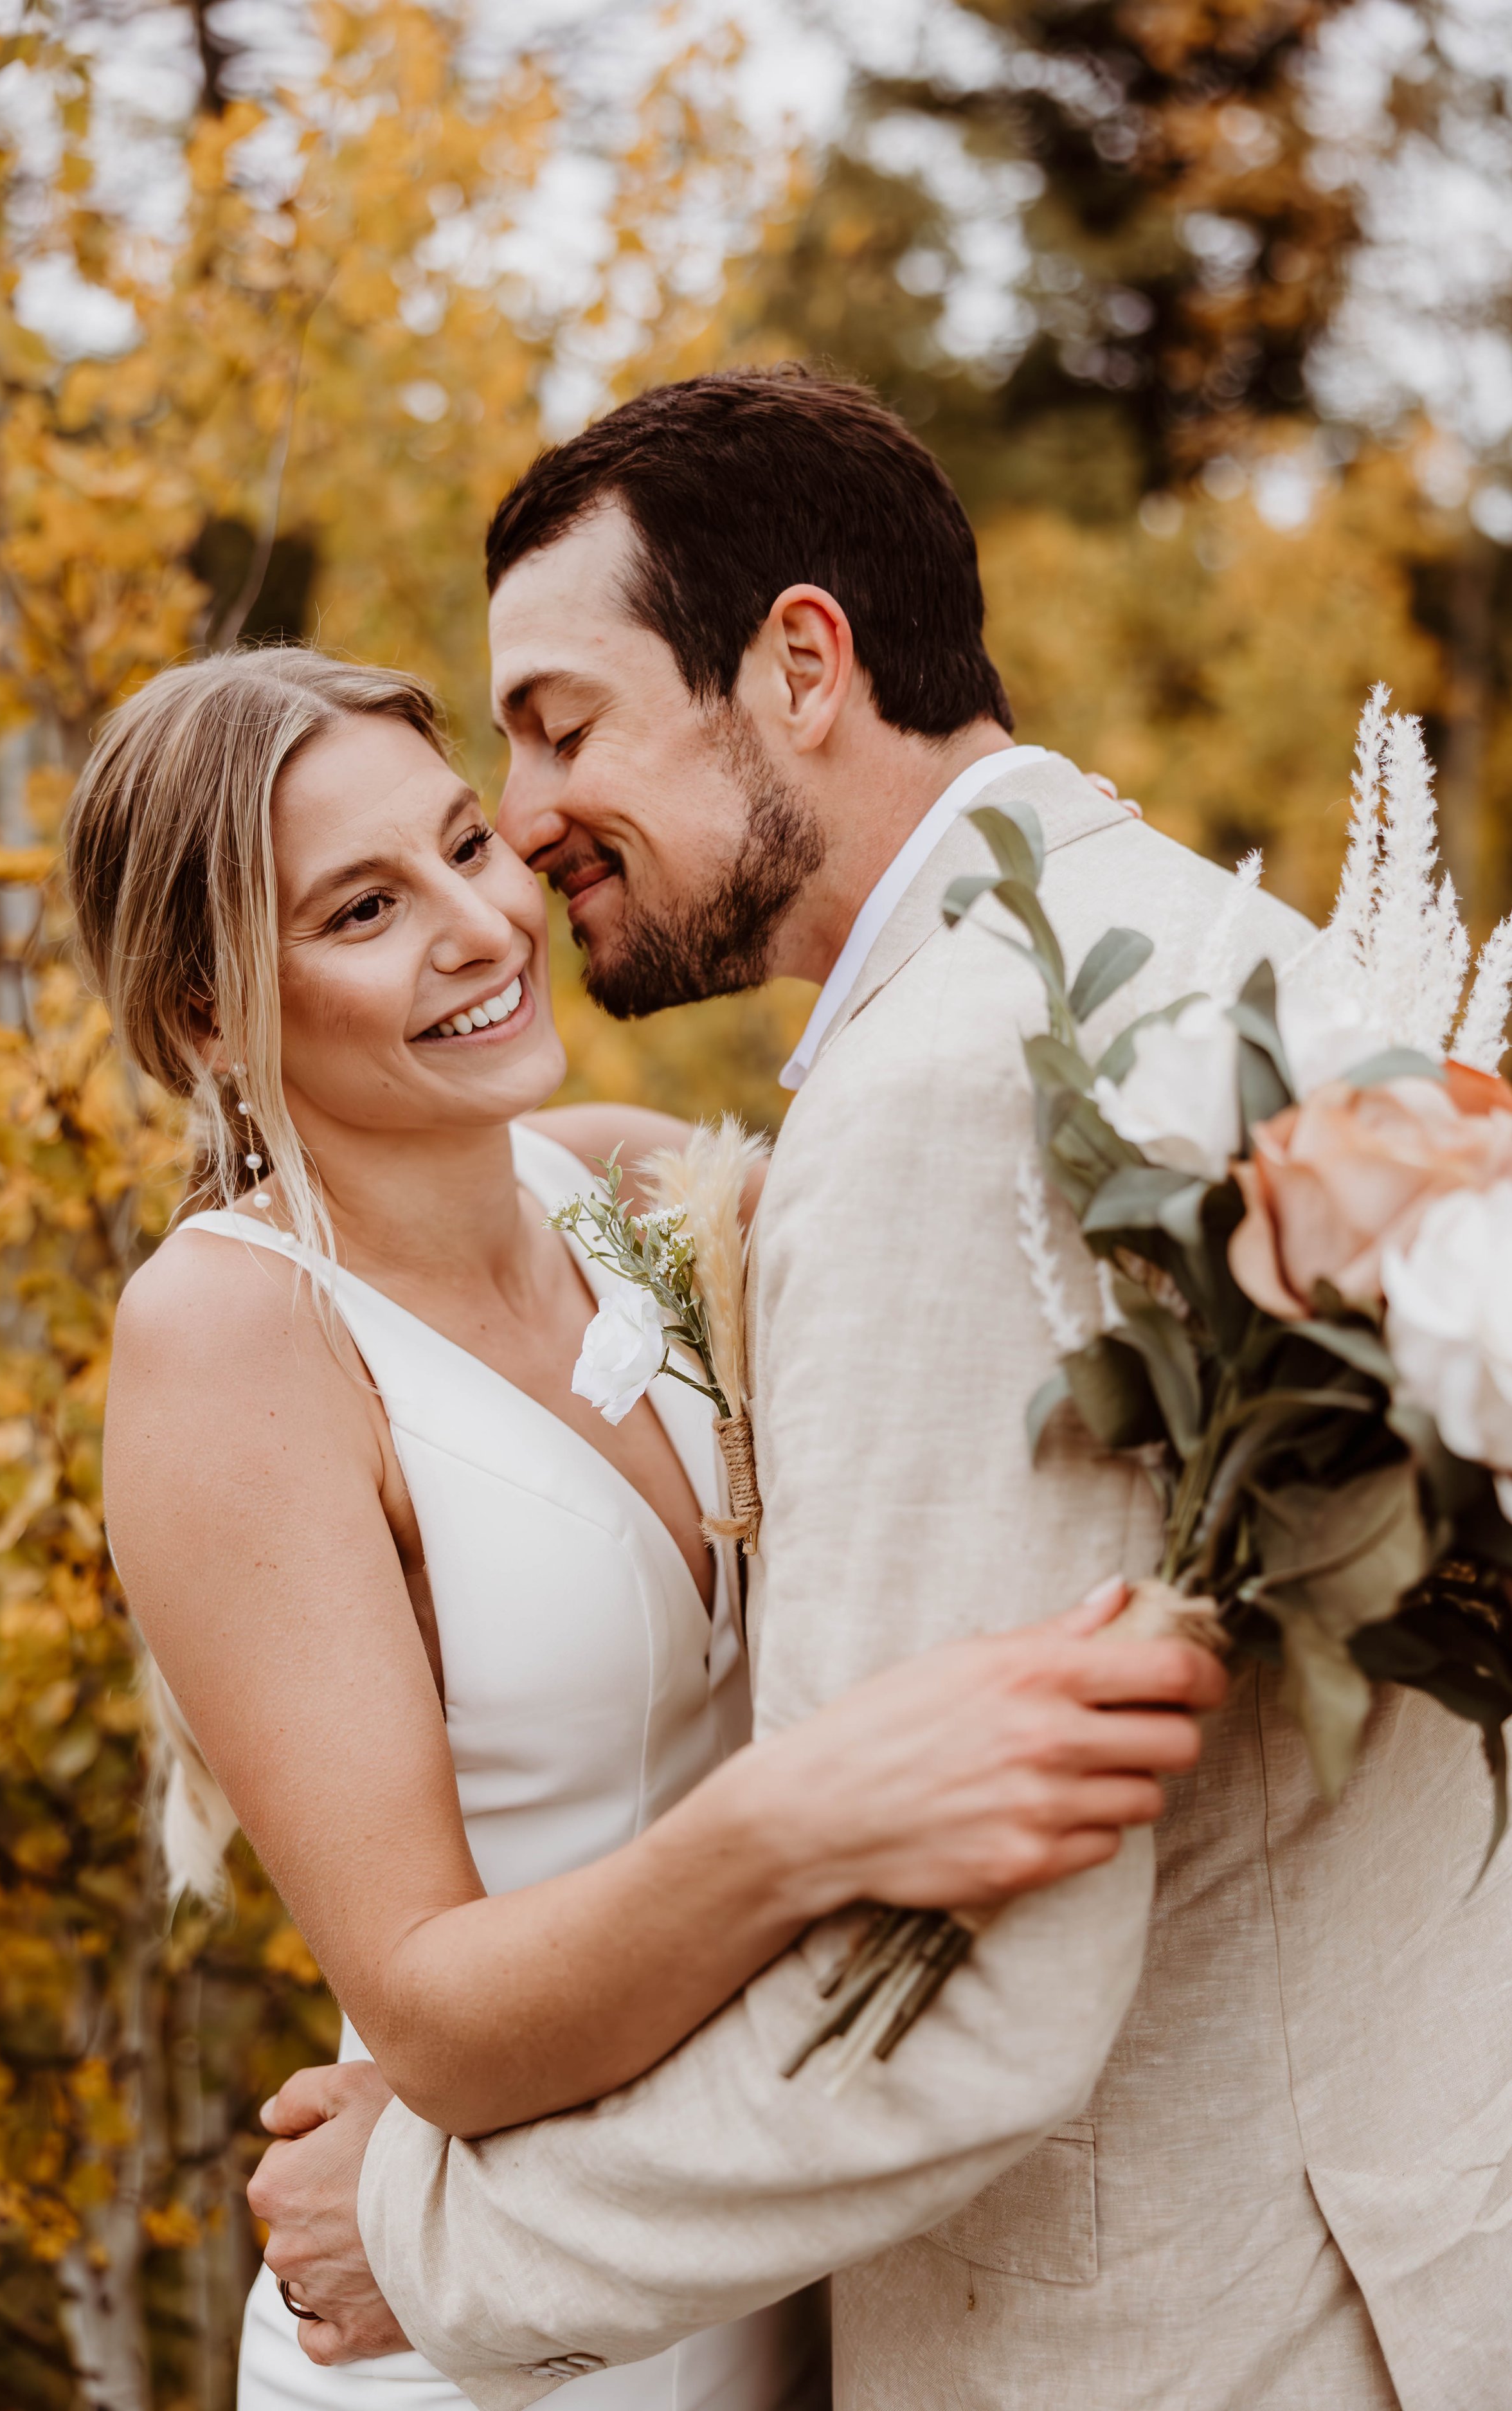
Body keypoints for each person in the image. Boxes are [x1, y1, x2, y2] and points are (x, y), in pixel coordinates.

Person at [251, 368, 1512, 2411]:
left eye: (563, 724)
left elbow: (969, 2011)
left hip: (1179, 2330)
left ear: (802, 665)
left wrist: (436, 2241)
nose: (526, 818)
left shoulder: (945, 1095)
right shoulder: (1192, 940)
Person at [70, 644, 1223, 2411]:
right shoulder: (229, 1340)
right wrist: (806, 1816)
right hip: (468, 2338)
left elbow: (985, 1325)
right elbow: (440, 2013)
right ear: (208, 1017)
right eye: (363, 908)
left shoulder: (636, 1186)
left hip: (759, 2262)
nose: (476, 925)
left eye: (465, 844)